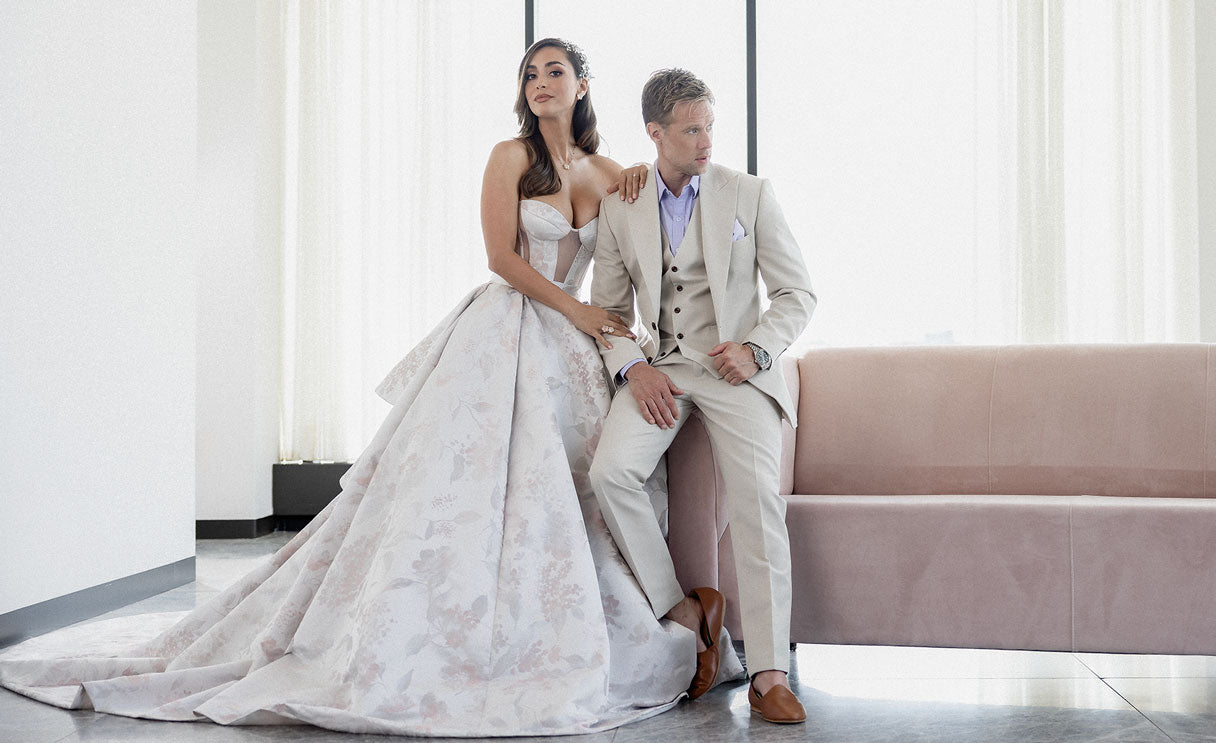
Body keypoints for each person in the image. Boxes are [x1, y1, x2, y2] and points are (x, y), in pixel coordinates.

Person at [0, 39, 742, 736]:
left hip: (577, 349)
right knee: (462, 489)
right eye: (530, 74)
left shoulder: (613, 172)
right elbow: (499, 259)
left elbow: (650, 237)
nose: (541, 84)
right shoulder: (509, 156)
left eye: (555, 71)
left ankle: (595, 615)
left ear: (583, 85)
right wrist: (579, 309)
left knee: (576, 489)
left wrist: (638, 294)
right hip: (510, 327)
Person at [588, 68, 816, 725]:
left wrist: (757, 349)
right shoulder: (620, 205)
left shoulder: (749, 195)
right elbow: (607, 313)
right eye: (692, 129)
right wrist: (634, 368)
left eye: (711, 125)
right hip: (663, 368)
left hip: (736, 371)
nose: (706, 140)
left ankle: (770, 674)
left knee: (757, 504)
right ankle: (685, 610)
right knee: (611, 472)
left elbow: (798, 293)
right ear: (655, 133)